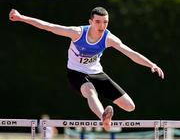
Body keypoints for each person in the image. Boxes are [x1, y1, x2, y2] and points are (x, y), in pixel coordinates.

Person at [9, 7, 164, 131]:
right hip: (76, 73)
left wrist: (152, 64)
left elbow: (131, 53)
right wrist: (21, 17)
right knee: (90, 91)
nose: (102, 26)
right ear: (90, 21)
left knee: (130, 106)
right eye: (98, 22)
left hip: (97, 73)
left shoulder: (109, 38)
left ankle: (105, 118)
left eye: (105, 22)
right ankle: (103, 117)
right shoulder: (77, 33)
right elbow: (48, 27)